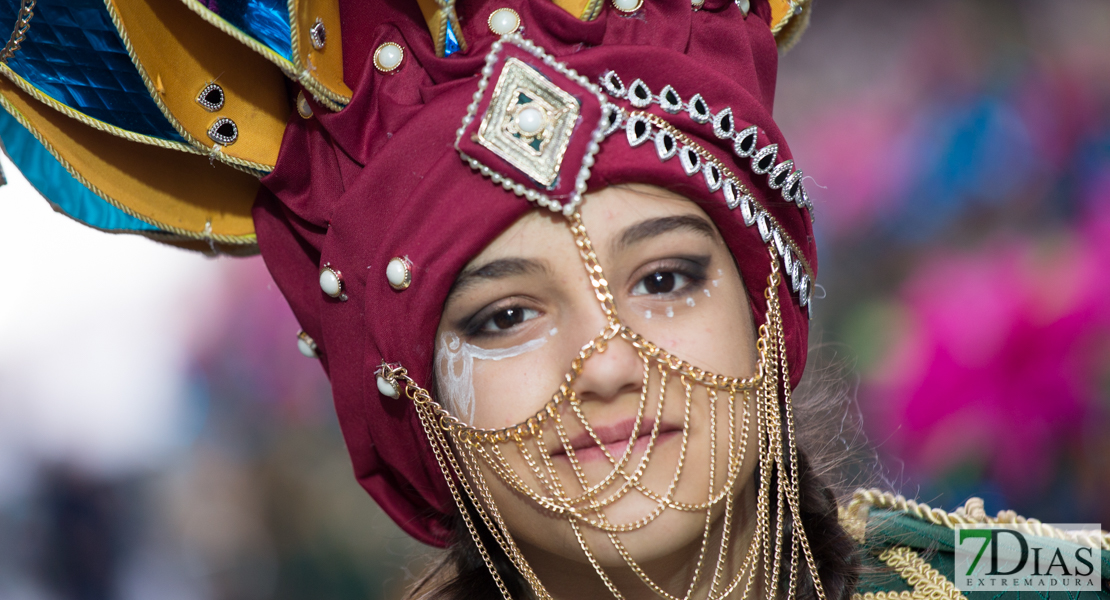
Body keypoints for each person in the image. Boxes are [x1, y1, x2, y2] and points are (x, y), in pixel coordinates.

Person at [0, 1, 1105, 599]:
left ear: (767, 311)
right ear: (407, 402)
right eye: (505, 317)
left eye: (668, 279)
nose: (612, 359)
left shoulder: (1024, 586)